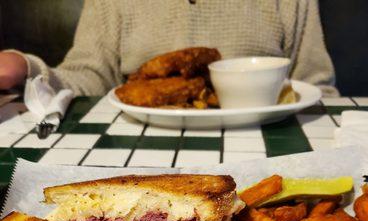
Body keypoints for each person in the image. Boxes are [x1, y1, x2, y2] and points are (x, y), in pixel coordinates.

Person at [0, 0, 338, 96]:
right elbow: (91, 75)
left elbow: (315, 85)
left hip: (262, 148)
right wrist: (27, 69)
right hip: (136, 153)